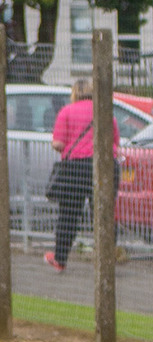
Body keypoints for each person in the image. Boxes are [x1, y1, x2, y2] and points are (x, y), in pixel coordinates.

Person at [45, 75, 108, 272]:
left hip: (75, 169)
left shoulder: (66, 111)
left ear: (75, 93)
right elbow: (114, 139)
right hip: (102, 166)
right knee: (102, 214)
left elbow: (58, 143)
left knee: (69, 215)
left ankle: (60, 258)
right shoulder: (103, 111)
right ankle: (106, 260)